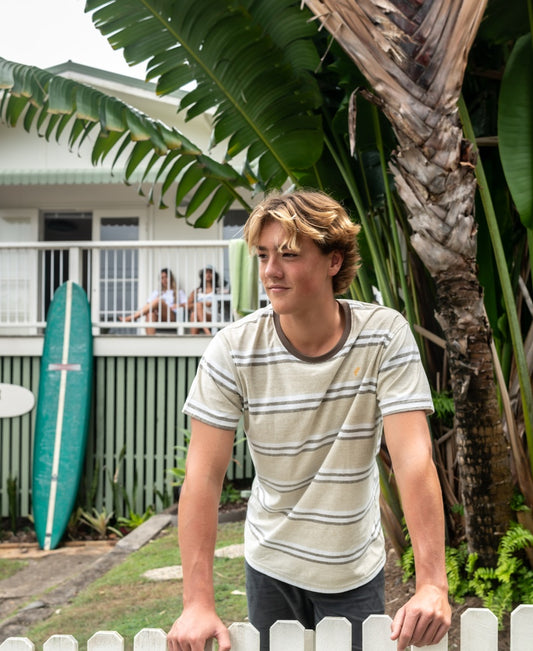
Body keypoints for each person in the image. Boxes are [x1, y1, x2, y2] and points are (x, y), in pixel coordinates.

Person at [167, 190, 451, 651]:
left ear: (333, 261)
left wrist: (432, 584)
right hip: (270, 563)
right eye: (263, 255)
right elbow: (202, 475)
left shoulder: (384, 336)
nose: (270, 271)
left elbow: (413, 458)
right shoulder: (233, 349)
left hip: (353, 566)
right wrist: (197, 602)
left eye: (289, 255)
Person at [119, 268, 185, 335]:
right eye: (162, 278)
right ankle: (151, 342)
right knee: (150, 314)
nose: (164, 280)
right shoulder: (156, 292)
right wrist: (154, 308)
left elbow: (186, 305)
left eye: (166, 277)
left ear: (171, 278)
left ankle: (132, 318)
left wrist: (179, 305)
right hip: (158, 317)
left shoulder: (178, 292)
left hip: (172, 316)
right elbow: (148, 306)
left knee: (159, 301)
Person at [187, 265, 224, 335]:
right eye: (206, 272)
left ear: (214, 275)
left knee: (196, 309)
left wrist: (212, 303)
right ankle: (204, 332)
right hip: (200, 315)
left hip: (214, 315)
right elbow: (188, 306)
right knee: (193, 314)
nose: (208, 274)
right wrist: (202, 304)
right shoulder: (197, 291)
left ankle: (205, 332)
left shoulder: (218, 290)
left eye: (210, 272)